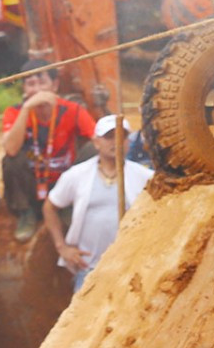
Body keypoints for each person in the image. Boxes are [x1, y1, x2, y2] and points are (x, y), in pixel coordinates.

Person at [44, 115, 153, 294]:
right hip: (89, 270)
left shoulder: (145, 177)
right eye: (109, 137)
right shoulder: (76, 175)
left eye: (122, 136)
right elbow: (50, 206)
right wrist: (62, 247)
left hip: (132, 270)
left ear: (128, 141)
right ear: (96, 142)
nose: (116, 142)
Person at [0, 69, 97, 232]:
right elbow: (10, 149)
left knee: (93, 150)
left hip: (64, 181)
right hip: (33, 183)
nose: (37, 90)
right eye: (31, 84)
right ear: (24, 88)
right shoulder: (15, 112)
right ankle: (26, 213)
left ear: (55, 85)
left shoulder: (72, 110)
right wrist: (27, 108)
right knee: (11, 161)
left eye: (42, 83)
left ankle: (71, 206)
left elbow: (98, 139)